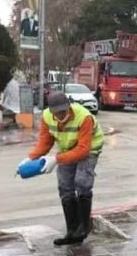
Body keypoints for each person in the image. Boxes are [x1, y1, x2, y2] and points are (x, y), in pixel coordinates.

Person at [21, 91, 104, 246]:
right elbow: (45, 142)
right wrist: (30, 158)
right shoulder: (46, 117)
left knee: (82, 182)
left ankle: (83, 227)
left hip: (89, 149)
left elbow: (83, 150)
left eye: (63, 111)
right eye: (57, 113)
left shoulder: (83, 117)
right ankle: (72, 232)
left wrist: (55, 159)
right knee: (65, 186)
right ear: (51, 111)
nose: (61, 115)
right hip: (67, 150)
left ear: (69, 106)